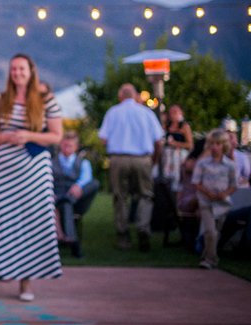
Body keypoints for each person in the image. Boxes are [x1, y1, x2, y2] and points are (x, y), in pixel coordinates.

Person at [0, 54, 63, 302]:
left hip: (35, 171)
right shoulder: (1, 100)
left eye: (21, 68)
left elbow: (56, 136)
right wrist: (8, 138)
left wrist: (29, 136)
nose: (17, 73)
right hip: (4, 170)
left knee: (33, 223)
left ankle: (26, 285)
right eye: (14, 69)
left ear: (31, 70)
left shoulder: (46, 99)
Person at [98, 83, 164, 251]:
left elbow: (103, 139)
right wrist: (154, 160)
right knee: (145, 195)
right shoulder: (146, 112)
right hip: (142, 159)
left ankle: (123, 237)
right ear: (135, 96)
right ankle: (143, 228)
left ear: (120, 96)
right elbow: (158, 141)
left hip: (118, 159)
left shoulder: (113, 112)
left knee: (120, 197)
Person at [192, 128, 238, 269]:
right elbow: (196, 182)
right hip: (206, 202)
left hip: (222, 203)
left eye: (217, 144)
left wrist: (225, 193)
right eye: (212, 144)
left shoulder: (230, 165)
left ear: (223, 145)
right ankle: (211, 260)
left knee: (215, 233)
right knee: (210, 230)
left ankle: (207, 255)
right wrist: (207, 193)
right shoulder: (203, 164)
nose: (214, 147)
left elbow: (233, 185)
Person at [52, 130, 99, 258]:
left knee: (93, 183)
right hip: (55, 199)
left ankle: (69, 239)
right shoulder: (51, 162)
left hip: (77, 200)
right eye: (65, 145)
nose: (67, 148)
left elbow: (86, 178)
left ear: (76, 147)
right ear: (60, 145)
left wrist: (78, 185)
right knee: (66, 203)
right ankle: (74, 245)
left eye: (70, 146)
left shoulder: (83, 163)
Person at [162, 105, 193, 191]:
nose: (172, 115)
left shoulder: (185, 126)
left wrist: (175, 144)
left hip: (179, 157)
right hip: (167, 156)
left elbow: (190, 145)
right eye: (171, 112)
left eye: (175, 112)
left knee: (177, 181)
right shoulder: (166, 126)